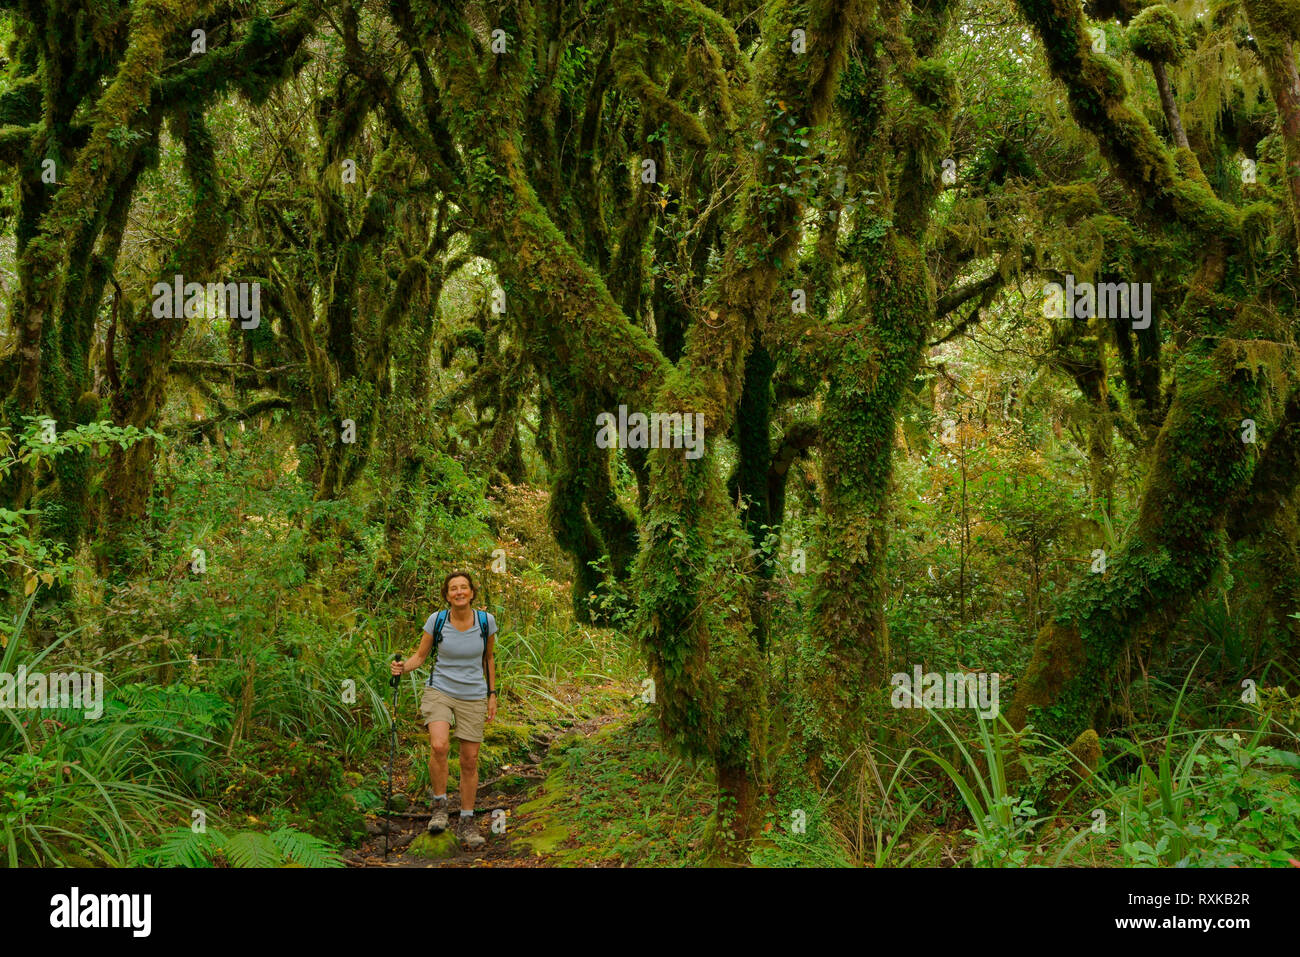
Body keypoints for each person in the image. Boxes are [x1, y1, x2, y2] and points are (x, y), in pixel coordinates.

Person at [390, 570, 498, 849]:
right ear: (447, 595)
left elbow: (489, 659)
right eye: (453, 588)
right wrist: (403, 668)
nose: (459, 592)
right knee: (439, 746)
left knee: (469, 759)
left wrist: (492, 694)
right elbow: (421, 656)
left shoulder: (486, 622)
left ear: (472, 593)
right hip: (440, 690)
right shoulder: (436, 621)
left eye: (464, 588)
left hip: (473, 694)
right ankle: (439, 806)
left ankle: (466, 819)